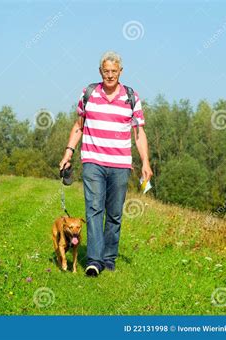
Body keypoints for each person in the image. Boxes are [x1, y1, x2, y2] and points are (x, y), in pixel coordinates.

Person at [59, 51, 153, 277]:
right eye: (106, 71)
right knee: (93, 210)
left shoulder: (131, 97)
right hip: (93, 161)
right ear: (100, 71)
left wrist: (146, 162)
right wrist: (68, 153)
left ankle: (108, 258)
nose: (109, 75)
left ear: (121, 71)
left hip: (120, 164)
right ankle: (93, 261)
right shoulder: (89, 93)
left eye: (114, 71)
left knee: (114, 213)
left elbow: (139, 134)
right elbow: (78, 126)